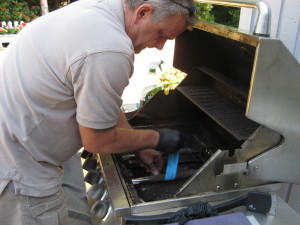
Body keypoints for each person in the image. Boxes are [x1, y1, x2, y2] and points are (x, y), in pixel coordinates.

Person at [0, 0, 197, 224]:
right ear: (143, 12)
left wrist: (140, 144)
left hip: (14, 147)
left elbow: (104, 102)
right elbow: (97, 140)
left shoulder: (96, 11)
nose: (160, 46)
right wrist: (157, 138)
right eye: (161, 34)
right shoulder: (110, 47)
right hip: (20, 173)